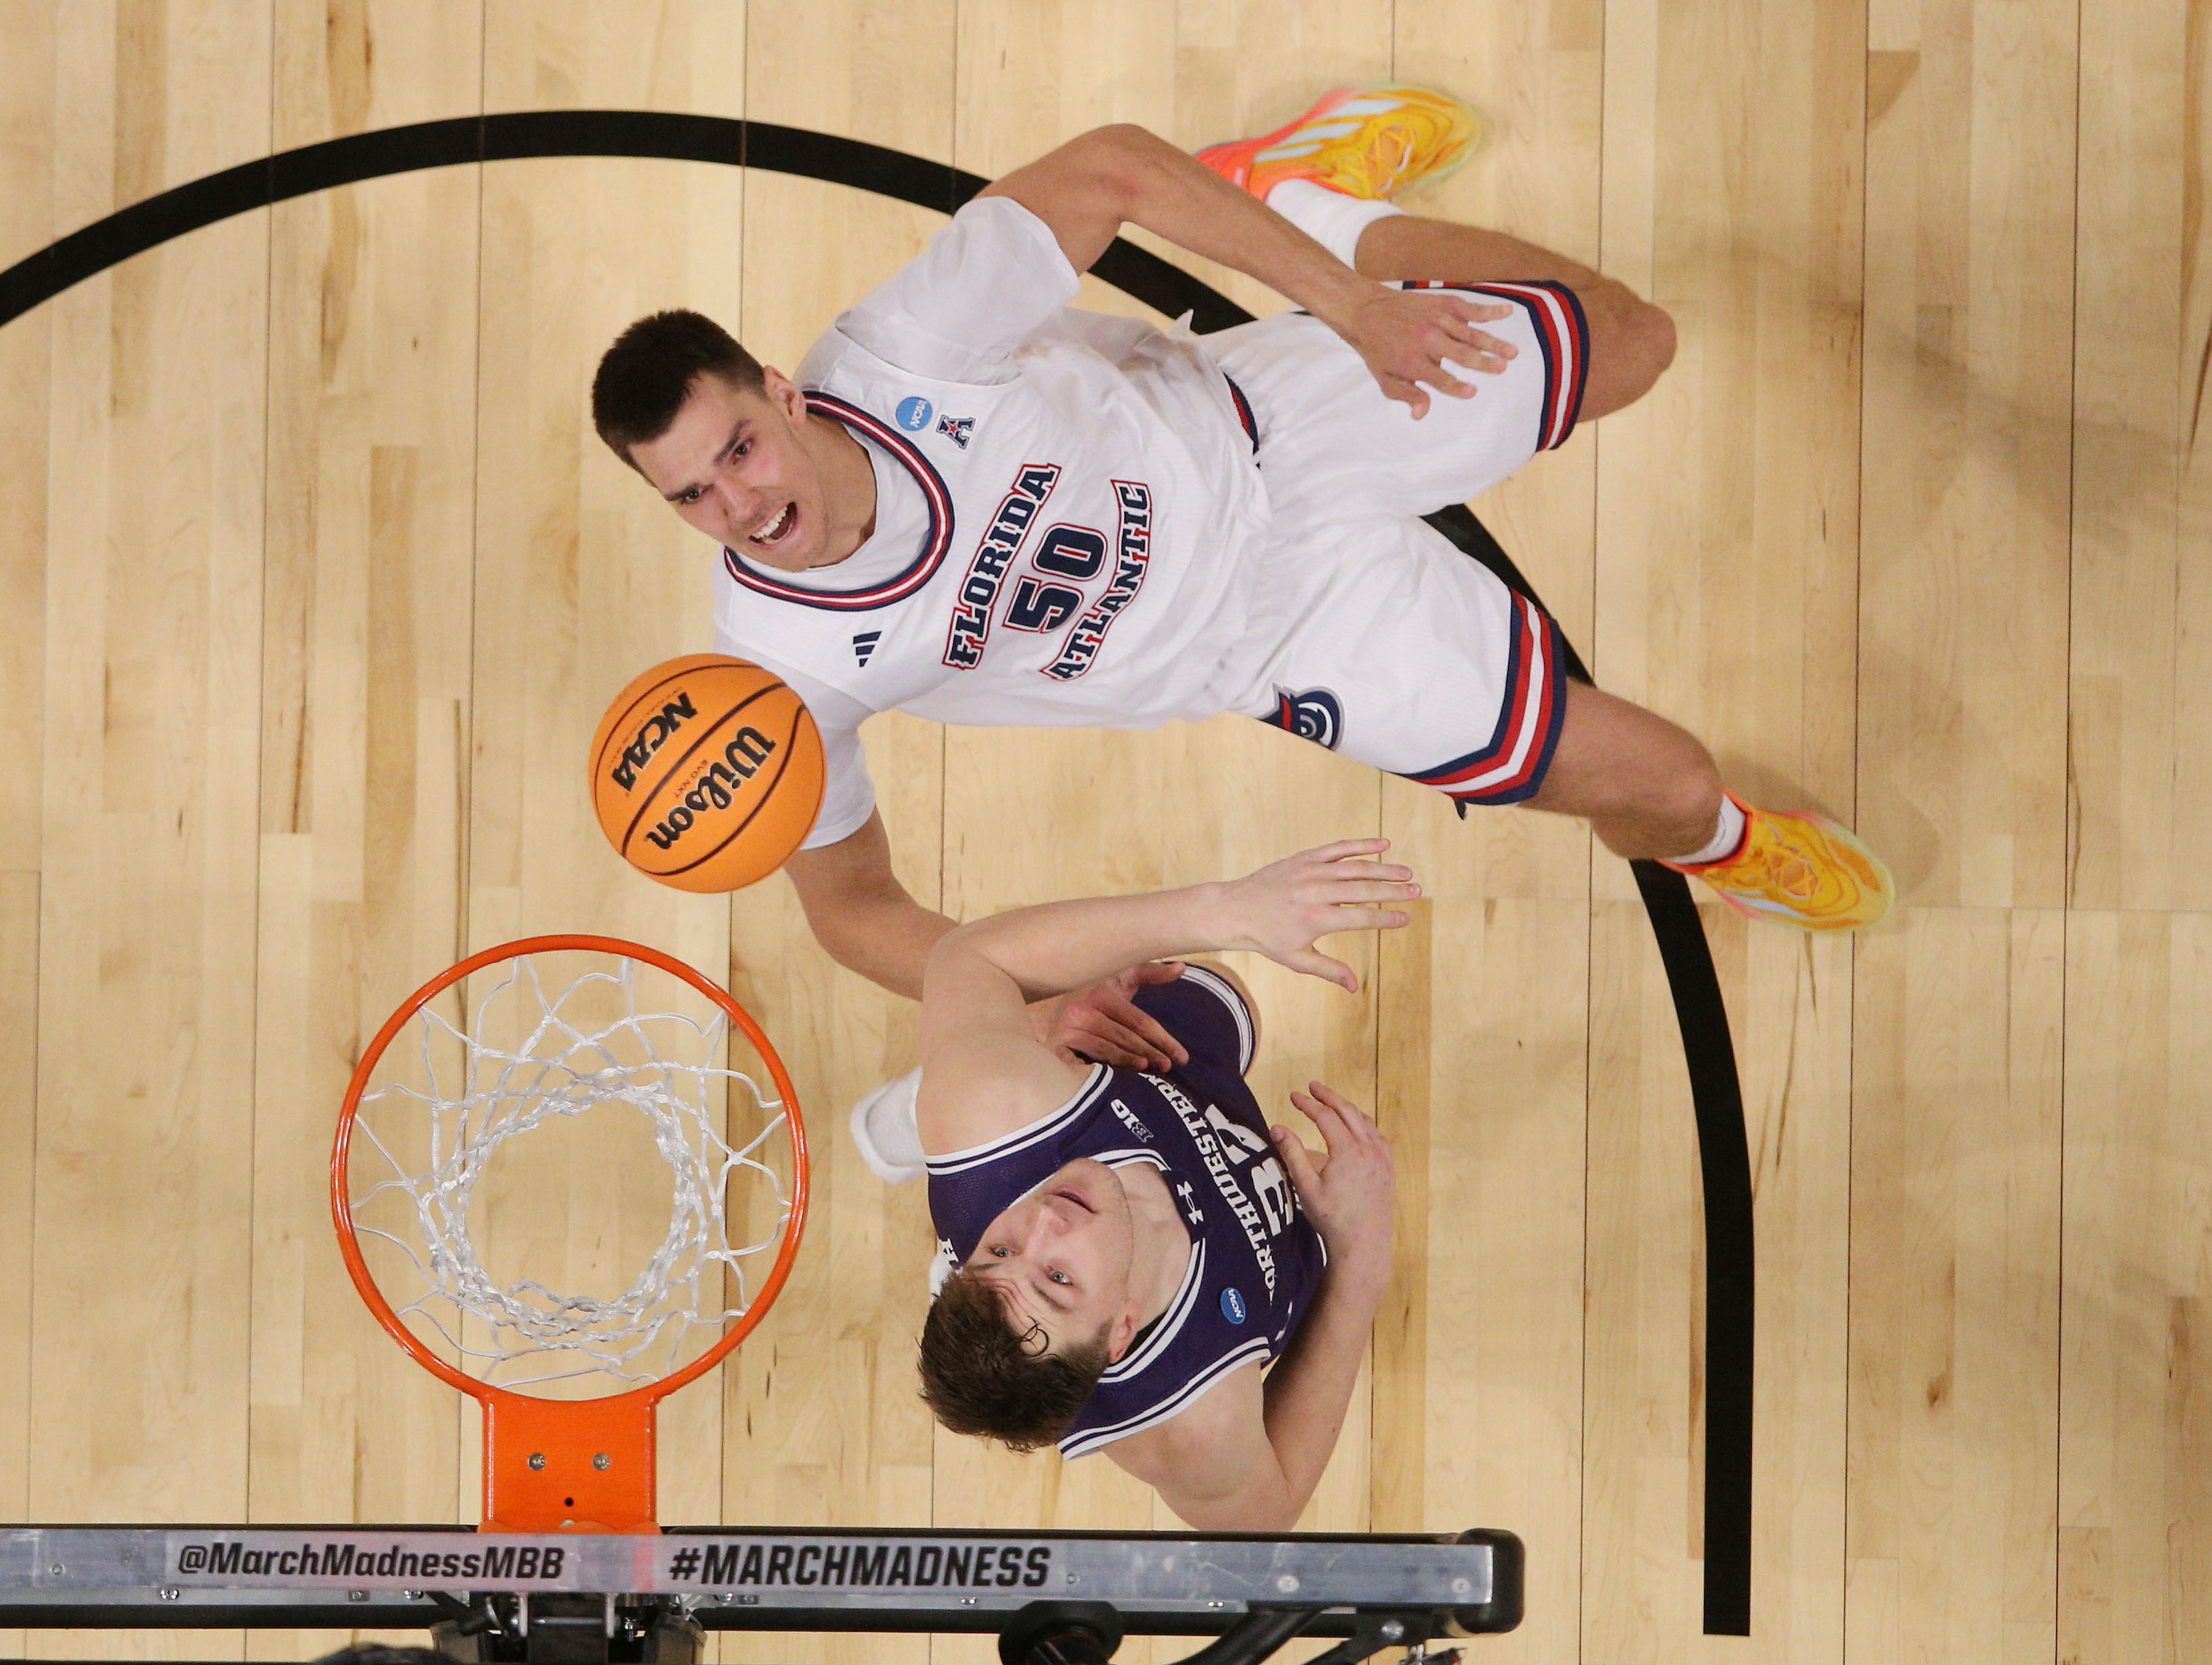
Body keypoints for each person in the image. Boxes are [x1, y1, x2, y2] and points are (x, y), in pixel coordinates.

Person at [589, 86, 1894, 1045]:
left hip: (1270, 422)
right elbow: (854, 909)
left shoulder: (907, 348)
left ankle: (1312, 206)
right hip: (1282, 637)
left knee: (1639, 341)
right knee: (1669, 783)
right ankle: (1719, 844)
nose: (740, 505)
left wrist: (1355, 306)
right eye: (693, 495)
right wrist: (1027, 1000)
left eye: (741, 450)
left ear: (778, 389)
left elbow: (1113, 166)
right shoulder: (774, 674)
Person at [912, 838, 1414, 1528]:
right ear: (1120, 1327)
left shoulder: (990, 1111)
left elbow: (966, 957)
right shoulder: (1188, 1421)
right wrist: (1358, 1264)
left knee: (1213, 993)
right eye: (1058, 1278)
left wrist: (1226, 909)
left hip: (1134, 1077)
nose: (1039, 1223)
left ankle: (1002, 1044)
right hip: (1257, 1246)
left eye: (997, 1253)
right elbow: (1263, 1516)